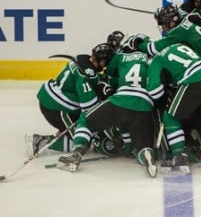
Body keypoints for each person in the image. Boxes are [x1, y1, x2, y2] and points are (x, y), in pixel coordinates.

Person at [57, 44, 158, 177]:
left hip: (121, 101)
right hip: (145, 105)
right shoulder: (153, 59)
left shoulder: (121, 57)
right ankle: (146, 155)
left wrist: (104, 85)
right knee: (142, 143)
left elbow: (109, 76)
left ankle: (77, 153)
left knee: (85, 121)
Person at [31, 43, 112, 157]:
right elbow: (89, 107)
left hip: (52, 98)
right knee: (83, 140)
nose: (105, 66)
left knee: (81, 132)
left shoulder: (82, 59)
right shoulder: (86, 74)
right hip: (56, 106)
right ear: (102, 61)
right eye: (105, 62)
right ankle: (41, 142)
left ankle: (65, 132)